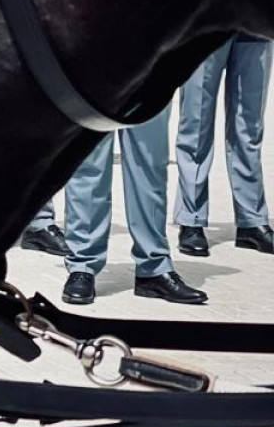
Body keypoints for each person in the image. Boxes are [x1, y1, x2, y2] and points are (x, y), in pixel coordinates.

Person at [61, 111, 208, 306]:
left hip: (148, 83)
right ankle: (82, 265)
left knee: (150, 167)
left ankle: (154, 267)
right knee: (89, 164)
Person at [175, 35, 274, 256]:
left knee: (250, 126)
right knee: (196, 123)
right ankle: (191, 219)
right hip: (210, 19)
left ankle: (251, 220)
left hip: (256, 18)